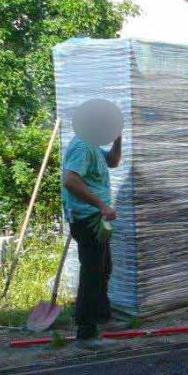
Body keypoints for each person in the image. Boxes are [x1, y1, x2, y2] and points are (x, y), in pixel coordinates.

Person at [62, 126, 122, 348]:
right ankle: (86, 333)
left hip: (96, 219)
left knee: (103, 268)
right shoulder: (83, 145)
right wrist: (101, 205)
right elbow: (70, 179)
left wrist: (118, 137)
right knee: (92, 272)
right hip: (87, 219)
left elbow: (113, 161)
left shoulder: (94, 145)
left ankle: (100, 319)